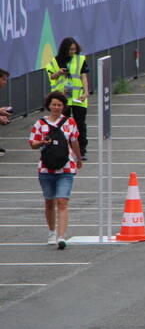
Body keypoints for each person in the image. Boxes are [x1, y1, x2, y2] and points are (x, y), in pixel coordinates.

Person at [29, 91, 82, 249]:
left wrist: (79, 158)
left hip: (66, 167)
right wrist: (42, 142)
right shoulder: (40, 123)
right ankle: (52, 232)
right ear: (49, 106)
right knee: (49, 202)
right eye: (54, 104)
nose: (57, 107)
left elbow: (74, 141)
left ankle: (61, 236)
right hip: (46, 168)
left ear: (63, 107)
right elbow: (32, 144)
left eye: (60, 105)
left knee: (62, 201)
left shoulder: (69, 122)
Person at [45, 37, 89, 161]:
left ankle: (81, 150)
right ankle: (64, 149)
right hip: (62, 98)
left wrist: (86, 92)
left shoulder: (80, 59)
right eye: (70, 49)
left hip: (78, 96)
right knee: (63, 124)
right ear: (64, 49)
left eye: (74, 49)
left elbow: (83, 76)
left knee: (80, 124)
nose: (72, 52)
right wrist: (59, 73)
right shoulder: (56, 60)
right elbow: (51, 77)